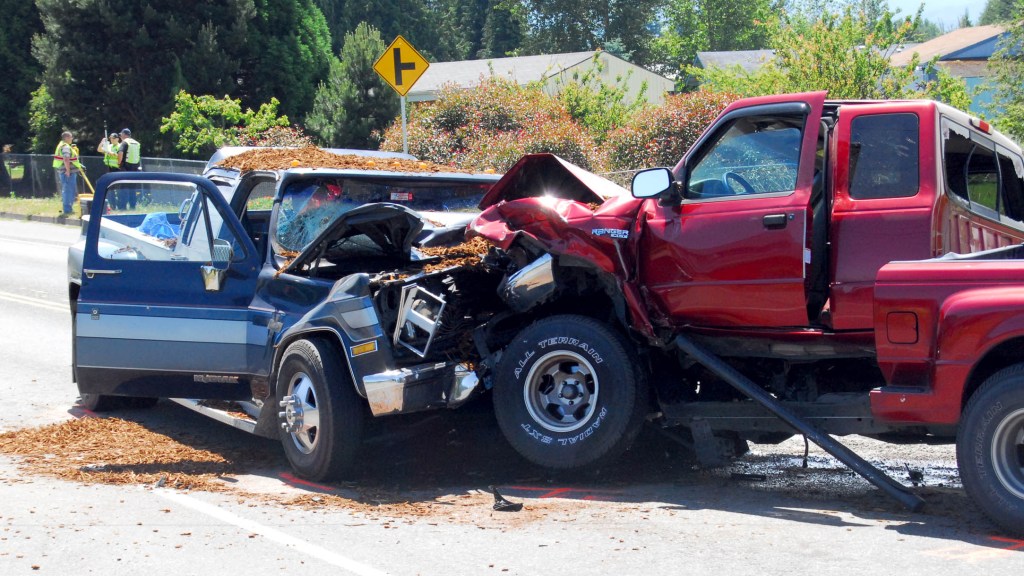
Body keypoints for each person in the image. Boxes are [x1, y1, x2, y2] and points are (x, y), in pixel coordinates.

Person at [52, 131, 82, 215]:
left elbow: (71, 159)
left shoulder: (62, 145)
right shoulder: (65, 147)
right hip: (68, 173)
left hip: (66, 172)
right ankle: (68, 210)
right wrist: (68, 171)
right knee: (68, 191)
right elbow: (66, 158)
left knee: (69, 190)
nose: (72, 139)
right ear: (66, 138)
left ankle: (68, 209)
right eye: (71, 137)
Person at [117, 128, 141, 209]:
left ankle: (122, 207)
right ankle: (133, 206)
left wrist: (119, 163)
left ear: (124, 135)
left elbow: (120, 152)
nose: (120, 136)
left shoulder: (125, 142)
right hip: (135, 168)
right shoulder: (137, 143)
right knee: (132, 188)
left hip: (126, 168)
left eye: (121, 135)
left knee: (123, 187)